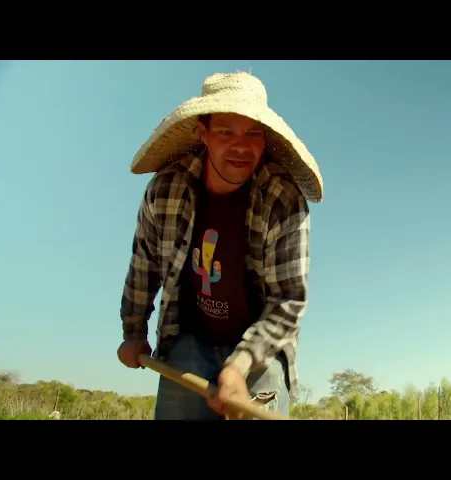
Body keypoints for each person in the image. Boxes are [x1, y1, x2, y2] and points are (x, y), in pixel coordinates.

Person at [116, 71, 323, 420]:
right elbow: (144, 266)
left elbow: (288, 300)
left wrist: (239, 365)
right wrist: (133, 331)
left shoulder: (283, 199)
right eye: (226, 132)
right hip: (189, 338)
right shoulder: (166, 190)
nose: (241, 146)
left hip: (260, 350)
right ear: (204, 133)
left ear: (264, 139)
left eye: (253, 133)